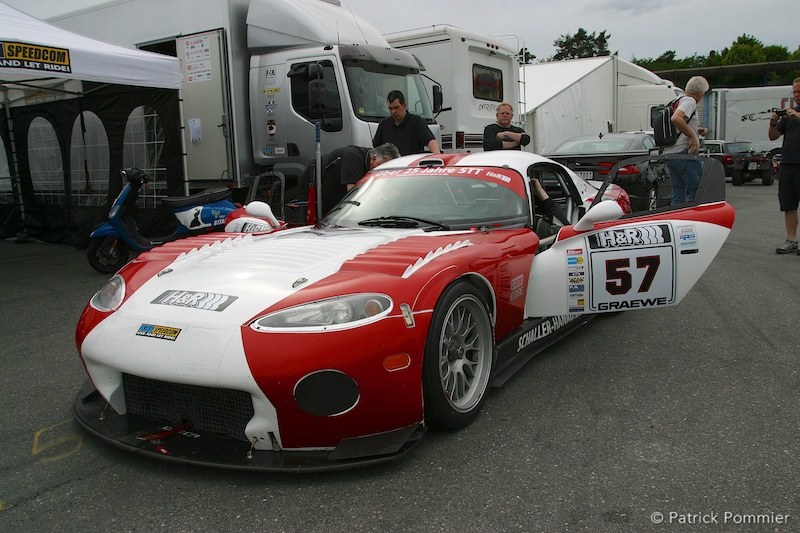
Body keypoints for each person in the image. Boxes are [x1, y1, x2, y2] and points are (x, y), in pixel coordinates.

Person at [297, 143, 400, 216]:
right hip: (313, 189)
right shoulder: (353, 157)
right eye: (381, 166)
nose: (382, 172)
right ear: (373, 158)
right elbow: (353, 196)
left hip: (334, 194)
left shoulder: (375, 156)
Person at [664, 76, 710, 205]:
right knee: (698, 191)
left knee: (678, 193)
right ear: (700, 93)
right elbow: (676, 119)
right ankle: (697, 220)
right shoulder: (690, 101)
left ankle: (677, 218)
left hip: (671, 153)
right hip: (684, 154)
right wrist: (693, 137)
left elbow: (677, 124)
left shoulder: (676, 100)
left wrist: (696, 130)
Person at [769, 77, 800, 254]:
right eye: (794, 92)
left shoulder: (795, 115)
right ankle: (791, 240)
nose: (796, 95)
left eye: (799, 92)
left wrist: (797, 116)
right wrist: (773, 122)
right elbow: (773, 136)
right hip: (788, 163)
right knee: (788, 204)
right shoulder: (789, 114)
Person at [372, 90, 440, 156]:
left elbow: (430, 141)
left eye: (396, 107)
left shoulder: (416, 122)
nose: (393, 111)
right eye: (390, 108)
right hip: (390, 166)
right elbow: (376, 149)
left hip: (411, 165)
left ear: (404, 105)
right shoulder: (384, 125)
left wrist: (437, 156)